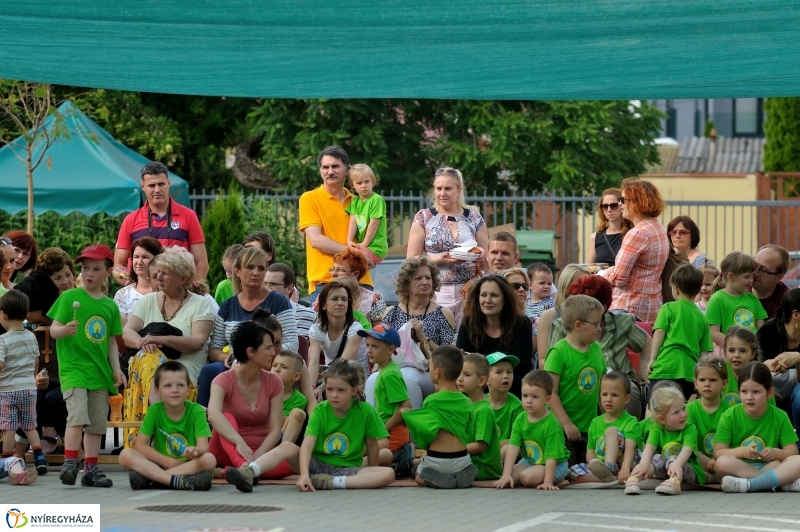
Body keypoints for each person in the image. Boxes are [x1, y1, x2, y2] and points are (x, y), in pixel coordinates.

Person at [47, 244, 126, 488]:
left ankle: (90, 469)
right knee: (77, 416)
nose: (89, 273)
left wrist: (116, 369)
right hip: (74, 369)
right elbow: (53, 329)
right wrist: (64, 330)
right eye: (84, 268)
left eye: (96, 268)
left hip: (99, 372)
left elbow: (112, 342)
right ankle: (70, 463)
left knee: (96, 423)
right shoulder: (69, 297)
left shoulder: (110, 306)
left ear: (107, 271)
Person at [208, 320, 301, 493]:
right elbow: (213, 415)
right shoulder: (222, 380)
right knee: (226, 417)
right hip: (227, 447)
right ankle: (244, 468)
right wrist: (239, 442)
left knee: (291, 463)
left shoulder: (274, 382)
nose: (274, 352)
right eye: (268, 348)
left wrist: (258, 459)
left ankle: (238, 472)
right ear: (250, 352)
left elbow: (275, 430)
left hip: (260, 450)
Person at [199, 247, 298, 405]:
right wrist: (226, 357)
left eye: (261, 268)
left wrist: (257, 358)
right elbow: (214, 348)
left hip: (270, 364)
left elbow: (292, 344)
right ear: (237, 271)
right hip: (234, 363)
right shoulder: (228, 306)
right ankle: (203, 424)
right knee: (209, 371)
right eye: (250, 267)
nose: (256, 273)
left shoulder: (279, 301)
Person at [547, 275, 651, 419]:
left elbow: (647, 341)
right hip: (578, 383)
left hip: (619, 380)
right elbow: (553, 373)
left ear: (603, 308)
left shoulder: (621, 323)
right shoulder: (562, 326)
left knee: (626, 391)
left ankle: (627, 433)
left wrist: (644, 367)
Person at [407, 167, 489, 329]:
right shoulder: (424, 217)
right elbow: (412, 260)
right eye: (439, 188)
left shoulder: (474, 217)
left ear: (459, 190)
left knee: (468, 339)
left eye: (448, 188)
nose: (442, 193)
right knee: (437, 341)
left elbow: (486, 257)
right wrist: (439, 259)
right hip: (436, 290)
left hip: (469, 290)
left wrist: (481, 254)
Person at [296, 359, 394, 491]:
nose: (334, 395)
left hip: (347, 469)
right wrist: (303, 474)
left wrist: (372, 472)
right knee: (286, 448)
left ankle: (333, 483)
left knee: (388, 474)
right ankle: (257, 469)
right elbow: (307, 444)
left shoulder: (366, 411)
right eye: (330, 389)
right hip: (317, 465)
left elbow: (372, 446)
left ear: (354, 390)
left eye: (341, 390)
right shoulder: (320, 410)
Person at [123, 247, 214, 386]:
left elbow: (198, 342)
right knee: (148, 360)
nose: (158, 277)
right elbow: (127, 331)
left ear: (183, 278)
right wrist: (145, 344)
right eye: (158, 272)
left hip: (184, 367)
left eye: (165, 273)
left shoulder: (201, 304)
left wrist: (160, 339)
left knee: (154, 367)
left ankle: (154, 407)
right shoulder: (148, 300)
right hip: (148, 361)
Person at [11, 247, 74, 446]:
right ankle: (30, 448)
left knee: (56, 397)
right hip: (38, 385)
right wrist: (34, 379)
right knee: (30, 395)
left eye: (68, 275)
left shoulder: (69, 319)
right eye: (58, 277)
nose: (65, 282)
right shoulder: (25, 325)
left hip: (68, 383)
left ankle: (73, 448)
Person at [118, 362, 214, 491]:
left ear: (188, 390)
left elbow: (204, 447)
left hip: (188, 465)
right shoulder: (154, 411)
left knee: (209, 459)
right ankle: (178, 481)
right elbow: (140, 446)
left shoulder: (197, 411)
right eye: (168, 385)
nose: (174, 390)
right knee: (125, 455)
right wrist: (171, 463)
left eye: (180, 385)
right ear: (157, 390)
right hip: (161, 464)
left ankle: (153, 479)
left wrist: (195, 450)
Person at [299, 146, 373, 302]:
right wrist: (357, 254)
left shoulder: (359, 202)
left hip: (361, 281)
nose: (330, 171)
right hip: (326, 281)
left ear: (347, 170)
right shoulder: (310, 199)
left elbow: (370, 242)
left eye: (335, 166)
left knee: (363, 327)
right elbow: (316, 240)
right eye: (325, 167)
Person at [114, 161, 208, 285]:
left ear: (168, 184)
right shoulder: (131, 219)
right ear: (143, 186)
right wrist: (133, 288)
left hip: (178, 295)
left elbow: (201, 263)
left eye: (161, 184)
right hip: (140, 296)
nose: (157, 190)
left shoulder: (188, 216)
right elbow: (118, 265)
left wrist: (191, 292)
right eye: (152, 185)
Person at [380, 256, 455, 408]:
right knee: (373, 379)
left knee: (407, 378)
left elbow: (450, 358)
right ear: (406, 283)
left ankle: (414, 429)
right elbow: (380, 349)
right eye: (418, 278)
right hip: (394, 370)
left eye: (428, 277)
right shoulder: (390, 313)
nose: (425, 282)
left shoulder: (444, 313)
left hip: (431, 374)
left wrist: (423, 338)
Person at [714, 361, 800, 493]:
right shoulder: (729, 416)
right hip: (740, 467)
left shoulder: (780, 416)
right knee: (721, 463)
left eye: (756, 392)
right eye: (744, 391)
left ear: (769, 392)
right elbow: (718, 453)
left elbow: (792, 452)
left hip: (770, 465)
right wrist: (742, 452)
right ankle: (777, 481)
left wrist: (775, 452)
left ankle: (749, 485)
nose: (749, 397)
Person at [402, 345, 477, 489]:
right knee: (462, 464)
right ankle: (463, 473)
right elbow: (468, 430)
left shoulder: (431, 400)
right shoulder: (467, 401)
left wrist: (408, 416)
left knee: (418, 476)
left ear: (436, 373)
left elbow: (426, 431)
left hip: (437, 460)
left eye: (429, 367)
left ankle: (434, 479)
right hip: (462, 459)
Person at [544, 295, 605, 466]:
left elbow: (601, 388)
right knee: (567, 466)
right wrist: (566, 424)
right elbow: (550, 393)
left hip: (589, 429)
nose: (599, 328)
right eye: (595, 324)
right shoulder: (558, 352)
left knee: (589, 463)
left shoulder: (597, 349)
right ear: (578, 325)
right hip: (562, 430)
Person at [455, 275, 533, 397]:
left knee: (512, 380)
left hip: (509, 378)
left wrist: (482, 362)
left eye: (494, 295)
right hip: (476, 377)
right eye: (483, 295)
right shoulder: (469, 322)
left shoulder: (521, 323)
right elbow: (461, 357)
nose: (487, 300)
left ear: (505, 298)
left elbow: (521, 363)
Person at [606, 178, 670, 324]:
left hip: (628, 309)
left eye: (623, 199)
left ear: (637, 202)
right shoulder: (658, 228)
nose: (620, 204)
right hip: (652, 308)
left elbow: (619, 279)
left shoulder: (637, 233)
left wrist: (603, 275)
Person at [494, 370, 569, 490]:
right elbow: (513, 447)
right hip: (530, 460)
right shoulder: (521, 419)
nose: (529, 400)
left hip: (554, 466)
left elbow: (552, 456)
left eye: (535, 397)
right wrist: (506, 475)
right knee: (510, 478)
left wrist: (548, 482)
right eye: (525, 396)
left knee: (526, 477)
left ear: (548, 399)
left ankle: (560, 479)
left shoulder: (551, 423)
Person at [647, 264, 714, 400]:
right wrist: (701, 374)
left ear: (676, 289)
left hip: (665, 368)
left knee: (654, 406)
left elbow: (659, 333)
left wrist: (652, 358)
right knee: (680, 410)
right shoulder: (702, 317)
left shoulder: (668, 308)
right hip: (689, 372)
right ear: (697, 291)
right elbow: (704, 353)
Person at [625, 385, 704, 495]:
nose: (683, 415)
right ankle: (635, 479)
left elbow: (687, 449)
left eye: (684, 408)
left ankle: (674, 483)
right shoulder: (657, 428)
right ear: (662, 419)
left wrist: (676, 464)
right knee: (657, 457)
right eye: (676, 412)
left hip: (686, 470)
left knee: (673, 458)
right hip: (665, 471)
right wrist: (644, 463)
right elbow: (650, 446)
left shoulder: (689, 428)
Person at [0, 291, 47, 475]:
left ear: (3, 314)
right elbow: (36, 362)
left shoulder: (3, 340)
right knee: (30, 425)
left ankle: (6, 461)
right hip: (28, 389)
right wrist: (31, 377)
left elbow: (1, 364)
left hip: (8, 390)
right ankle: (39, 456)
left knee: (9, 428)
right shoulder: (31, 336)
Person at [568, 371, 642, 484]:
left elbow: (630, 448)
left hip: (626, 464)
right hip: (601, 467)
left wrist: (625, 468)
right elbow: (590, 451)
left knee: (611, 431)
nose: (608, 399)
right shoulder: (595, 422)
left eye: (614, 395)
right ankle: (608, 478)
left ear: (626, 399)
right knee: (572, 471)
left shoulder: (631, 421)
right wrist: (593, 462)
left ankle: (610, 469)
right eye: (604, 394)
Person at [358, 325, 411, 457]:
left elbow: (406, 407)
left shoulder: (390, 375)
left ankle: (401, 458)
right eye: (367, 345)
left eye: (375, 347)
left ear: (390, 349)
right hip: (384, 430)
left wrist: (383, 430)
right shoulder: (385, 370)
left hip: (393, 433)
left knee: (359, 456)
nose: (369, 351)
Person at [307, 280, 368, 385]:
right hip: (330, 378)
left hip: (356, 382)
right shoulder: (316, 329)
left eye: (344, 299)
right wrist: (311, 391)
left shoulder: (356, 328)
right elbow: (313, 364)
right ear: (324, 305)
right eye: (335, 299)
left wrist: (322, 388)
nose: (340, 303)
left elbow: (343, 364)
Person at [758, 289, 800, 436]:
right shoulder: (768, 332)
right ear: (796, 315)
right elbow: (749, 370)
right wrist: (766, 365)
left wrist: (798, 357)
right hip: (769, 397)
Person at [707, 252, 766, 349]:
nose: (751, 280)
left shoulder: (753, 299)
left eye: (752, 276)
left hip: (752, 355)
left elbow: (762, 331)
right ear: (731, 276)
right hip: (731, 357)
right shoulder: (716, 299)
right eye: (747, 277)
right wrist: (738, 348)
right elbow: (713, 333)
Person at [457, 354, 502, 481]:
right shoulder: (466, 405)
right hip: (467, 460)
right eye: (458, 373)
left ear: (481, 381)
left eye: (466, 375)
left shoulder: (484, 410)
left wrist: (454, 450)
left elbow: (480, 446)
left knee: (446, 462)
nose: (460, 379)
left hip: (483, 468)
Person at [536, 263, 591, 367]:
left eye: (589, 285)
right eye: (581, 285)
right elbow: (543, 361)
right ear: (566, 289)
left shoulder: (594, 316)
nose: (586, 291)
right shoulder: (550, 316)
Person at [687, 356, 730, 480]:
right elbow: (690, 445)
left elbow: (733, 445)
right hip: (697, 461)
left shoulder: (731, 412)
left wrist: (718, 462)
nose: (707, 384)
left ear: (724, 383)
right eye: (702, 380)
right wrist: (708, 462)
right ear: (695, 383)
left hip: (723, 462)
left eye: (712, 380)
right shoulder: (689, 410)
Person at [113, 236, 163, 327]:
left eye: (145, 257)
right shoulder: (123, 294)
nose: (139, 262)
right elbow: (121, 330)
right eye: (136, 257)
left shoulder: (167, 292)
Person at [328, 250, 386, 325]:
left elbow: (379, 333)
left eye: (340, 270)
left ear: (355, 274)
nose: (334, 274)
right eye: (332, 269)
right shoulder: (325, 296)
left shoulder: (373, 300)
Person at [346, 163, 388, 266]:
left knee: (348, 261)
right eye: (359, 183)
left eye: (367, 181)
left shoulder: (376, 200)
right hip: (364, 247)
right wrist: (349, 240)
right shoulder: (355, 201)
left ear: (373, 182)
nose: (364, 185)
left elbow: (373, 224)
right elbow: (353, 222)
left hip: (376, 248)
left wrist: (364, 244)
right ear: (353, 185)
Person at [266, 263, 316, 338]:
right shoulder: (255, 314)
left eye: (273, 284)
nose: (266, 288)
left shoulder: (310, 316)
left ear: (289, 288)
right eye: (264, 284)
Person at [485, 352, 523, 451]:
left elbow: (518, 439)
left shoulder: (517, 407)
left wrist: (487, 448)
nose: (506, 376)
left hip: (503, 454)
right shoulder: (479, 403)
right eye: (499, 372)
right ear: (486, 379)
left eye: (509, 372)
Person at [271, 350, 310, 445]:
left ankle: (282, 452)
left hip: (280, 437)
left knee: (298, 413)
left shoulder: (299, 399)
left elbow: (281, 425)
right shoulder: (262, 389)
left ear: (296, 376)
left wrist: (278, 390)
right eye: (274, 365)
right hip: (258, 433)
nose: (277, 369)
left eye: (284, 367)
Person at [586, 188, 633, 266]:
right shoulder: (595, 237)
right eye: (605, 206)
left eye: (613, 205)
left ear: (621, 206)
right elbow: (590, 268)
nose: (609, 209)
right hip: (602, 277)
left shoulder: (632, 234)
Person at [721, 327, 760, 407]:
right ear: (725, 352)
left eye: (742, 351)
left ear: (752, 354)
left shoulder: (760, 375)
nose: (736, 355)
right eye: (731, 350)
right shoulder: (719, 371)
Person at [752, 244, 791, 319]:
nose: (755, 273)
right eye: (754, 265)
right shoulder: (736, 289)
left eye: (763, 270)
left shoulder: (789, 301)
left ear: (778, 277)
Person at [525, 263, 555, 335]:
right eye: (542, 283)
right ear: (530, 285)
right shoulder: (524, 303)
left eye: (549, 283)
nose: (546, 286)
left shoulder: (551, 302)